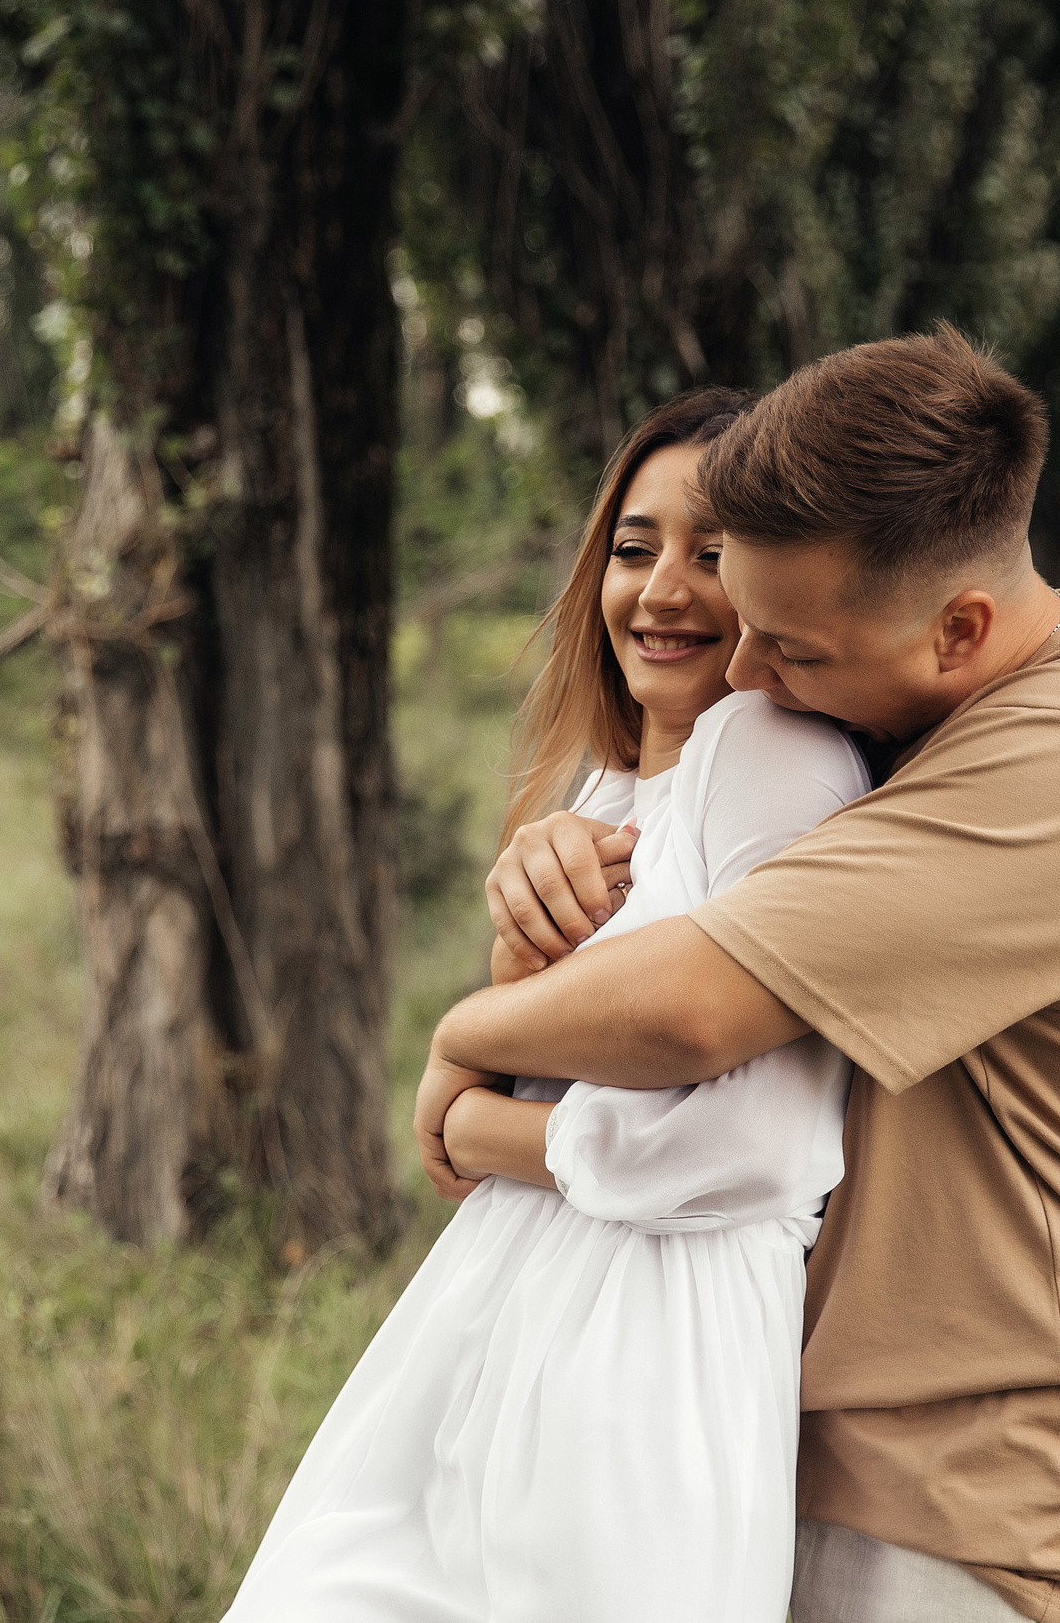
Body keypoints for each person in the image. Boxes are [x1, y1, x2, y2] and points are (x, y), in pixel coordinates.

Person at [420, 324, 1060, 1623]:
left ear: (962, 627)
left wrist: (461, 1042)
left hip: (1025, 1508)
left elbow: (694, 1004)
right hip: (888, 1465)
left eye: (798, 647)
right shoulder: (938, 721)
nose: (750, 676)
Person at [221, 388, 870, 1622]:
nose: (662, 590)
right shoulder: (604, 797)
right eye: (634, 548)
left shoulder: (773, 752)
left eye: (715, 553)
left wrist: (473, 1122)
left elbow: (756, 1147)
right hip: (503, 1318)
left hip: (650, 1351)